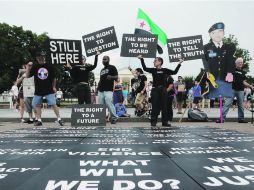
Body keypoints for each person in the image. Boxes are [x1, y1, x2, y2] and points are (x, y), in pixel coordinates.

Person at [138, 55, 183, 127]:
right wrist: (141, 59)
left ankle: (164, 122)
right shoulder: (153, 70)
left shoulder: (165, 70)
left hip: (163, 90)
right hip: (155, 89)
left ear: (160, 62)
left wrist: (180, 63)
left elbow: (174, 72)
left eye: (155, 61)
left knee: (164, 106)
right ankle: (153, 122)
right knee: (155, 106)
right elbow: (145, 68)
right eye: (154, 61)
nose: (154, 62)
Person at [26, 51, 64, 126]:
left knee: (53, 104)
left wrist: (53, 87)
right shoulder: (35, 66)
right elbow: (27, 76)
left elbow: (54, 78)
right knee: (36, 104)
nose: (42, 58)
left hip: (48, 88)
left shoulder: (49, 66)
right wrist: (28, 68)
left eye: (43, 57)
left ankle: (59, 118)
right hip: (38, 89)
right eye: (40, 57)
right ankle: (39, 120)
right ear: (37, 58)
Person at [203, 22, 236, 98]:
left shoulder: (229, 46)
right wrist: (207, 71)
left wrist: (230, 72)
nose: (217, 34)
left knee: (225, 96)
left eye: (220, 31)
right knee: (213, 95)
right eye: (214, 32)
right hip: (212, 78)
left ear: (223, 33)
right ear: (210, 35)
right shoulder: (206, 48)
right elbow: (204, 60)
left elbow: (230, 59)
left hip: (225, 77)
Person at [217, 58, 254, 123]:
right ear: (235, 63)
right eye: (239, 62)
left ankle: (241, 119)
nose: (240, 63)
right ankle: (221, 118)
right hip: (232, 89)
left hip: (240, 90)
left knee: (241, 105)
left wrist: (250, 86)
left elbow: (243, 82)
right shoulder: (232, 69)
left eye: (241, 62)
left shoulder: (243, 72)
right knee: (227, 104)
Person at [97, 55, 118, 124]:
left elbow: (117, 77)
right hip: (101, 90)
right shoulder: (102, 70)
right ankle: (101, 118)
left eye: (105, 59)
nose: (104, 60)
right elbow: (100, 80)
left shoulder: (112, 67)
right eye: (103, 59)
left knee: (109, 103)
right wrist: (97, 89)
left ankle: (114, 118)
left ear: (108, 60)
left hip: (108, 89)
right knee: (101, 105)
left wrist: (111, 77)